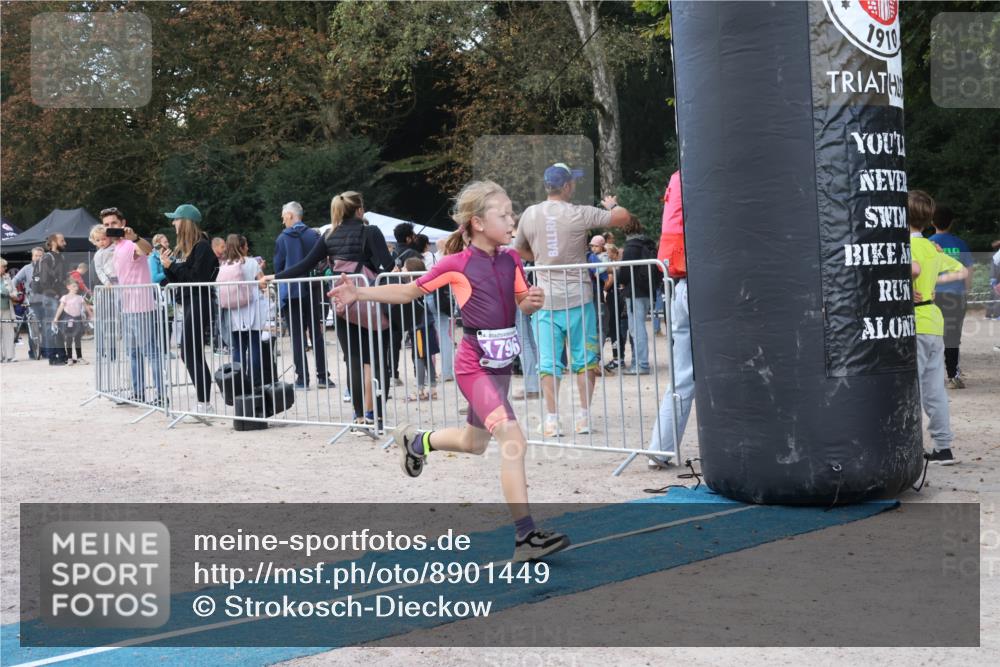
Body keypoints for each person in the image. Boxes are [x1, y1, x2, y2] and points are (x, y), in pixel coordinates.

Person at [330, 180, 569, 562]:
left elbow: (523, 303)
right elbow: (409, 292)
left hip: (501, 367)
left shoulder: (512, 261)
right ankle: (526, 537)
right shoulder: (455, 265)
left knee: (475, 443)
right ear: (476, 222)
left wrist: (533, 302)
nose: (512, 220)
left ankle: (417, 442)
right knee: (514, 439)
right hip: (473, 365)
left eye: (512, 213)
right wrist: (360, 293)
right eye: (504, 214)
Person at [513, 162, 631, 436]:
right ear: (566, 186)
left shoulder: (530, 214)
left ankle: (552, 419)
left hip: (545, 300)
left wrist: (541, 259)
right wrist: (612, 205)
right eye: (573, 182)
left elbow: (518, 248)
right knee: (585, 360)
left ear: (546, 186)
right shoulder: (580, 213)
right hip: (579, 298)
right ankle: (583, 417)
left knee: (548, 362)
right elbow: (623, 218)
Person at [264, 191, 393, 430]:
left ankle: (359, 416)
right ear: (360, 210)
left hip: (344, 304)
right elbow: (389, 265)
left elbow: (304, 266)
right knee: (375, 360)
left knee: (354, 360)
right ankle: (376, 415)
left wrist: (275, 276)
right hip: (371, 300)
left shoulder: (328, 235)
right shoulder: (371, 232)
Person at [909, 190, 968, 465]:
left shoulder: (902, 248)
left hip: (913, 322)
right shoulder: (932, 247)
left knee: (908, 389)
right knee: (934, 389)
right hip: (933, 318)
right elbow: (962, 272)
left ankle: (907, 446)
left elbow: (914, 270)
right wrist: (933, 287)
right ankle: (944, 447)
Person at [647, 170, 690, 469]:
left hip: (679, 283)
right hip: (702, 283)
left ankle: (659, 449)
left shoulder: (677, 177)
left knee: (682, 378)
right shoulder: (707, 166)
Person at [101, 207, 165, 405]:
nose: (110, 227)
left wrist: (135, 237)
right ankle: (138, 393)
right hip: (127, 306)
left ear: (122, 223)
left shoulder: (130, 244)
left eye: (113, 223)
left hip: (141, 305)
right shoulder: (116, 248)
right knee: (133, 353)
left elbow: (147, 250)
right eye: (106, 225)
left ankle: (162, 396)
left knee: (151, 352)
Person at [160, 204, 219, 412]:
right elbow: (176, 279)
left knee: (190, 351)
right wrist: (167, 266)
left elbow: (196, 278)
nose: (173, 223)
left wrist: (172, 266)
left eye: (175, 219)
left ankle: (205, 403)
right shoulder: (181, 248)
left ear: (184, 222)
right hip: (186, 302)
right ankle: (204, 402)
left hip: (199, 301)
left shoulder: (202, 246)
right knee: (189, 352)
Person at [273, 201, 331, 389]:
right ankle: (323, 377)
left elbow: (278, 267)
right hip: (313, 288)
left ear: (290, 215)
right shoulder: (313, 235)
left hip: (291, 291)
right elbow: (322, 262)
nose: (283, 221)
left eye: (283, 216)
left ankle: (302, 378)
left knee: (297, 336)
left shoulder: (282, 238)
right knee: (316, 333)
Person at [928, 205, 974, 388]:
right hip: (956, 296)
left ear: (932, 222)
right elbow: (969, 269)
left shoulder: (928, 243)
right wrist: (967, 290)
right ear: (952, 222)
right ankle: (953, 375)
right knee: (953, 336)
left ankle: (934, 374)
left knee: (934, 335)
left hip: (933, 296)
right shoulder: (960, 243)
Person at [218, 234, 265, 377]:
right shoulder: (251, 262)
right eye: (246, 245)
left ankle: (238, 380)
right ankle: (254, 380)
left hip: (234, 308)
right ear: (242, 247)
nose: (248, 248)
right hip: (252, 306)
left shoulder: (224, 265)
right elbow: (262, 283)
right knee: (254, 345)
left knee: (238, 347)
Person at [618, 215, 658, 374]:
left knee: (637, 328)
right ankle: (638, 363)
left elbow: (625, 274)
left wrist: (620, 278)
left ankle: (641, 364)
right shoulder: (647, 244)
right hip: (647, 290)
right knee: (639, 327)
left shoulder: (630, 247)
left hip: (634, 291)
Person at [402, 257, 439, 400]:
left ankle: (420, 389)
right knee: (425, 356)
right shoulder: (421, 284)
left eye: (405, 267)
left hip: (419, 325)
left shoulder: (414, 286)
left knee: (420, 357)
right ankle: (432, 387)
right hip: (424, 324)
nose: (402, 270)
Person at [38, 233, 69, 365]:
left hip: (60, 296)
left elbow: (62, 278)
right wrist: (55, 294)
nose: (65, 243)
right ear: (54, 242)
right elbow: (44, 280)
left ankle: (62, 355)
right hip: (51, 297)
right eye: (62, 240)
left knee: (60, 326)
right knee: (52, 326)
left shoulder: (60, 256)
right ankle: (52, 356)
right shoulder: (47, 257)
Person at [12, 247, 45, 360]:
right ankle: (33, 352)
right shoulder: (27, 268)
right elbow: (15, 280)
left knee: (46, 327)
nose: (38, 258)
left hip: (46, 301)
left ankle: (45, 351)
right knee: (33, 326)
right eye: (36, 255)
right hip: (31, 301)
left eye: (40, 256)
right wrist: (14, 292)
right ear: (32, 257)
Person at [53, 278, 93, 364]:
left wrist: (91, 316)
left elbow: (86, 308)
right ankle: (70, 358)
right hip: (68, 320)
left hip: (78, 319)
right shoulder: (65, 297)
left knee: (78, 339)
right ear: (68, 287)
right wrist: (56, 318)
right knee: (69, 339)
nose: (76, 288)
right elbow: (60, 308)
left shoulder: (80, 298)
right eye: (74, 286)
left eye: (77, 286)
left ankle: (80, 357)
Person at [0, 259, 16, 362]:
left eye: (6, 266)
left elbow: (14, 291)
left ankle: (10, 356)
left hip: (6, 309)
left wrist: (11, 295)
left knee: (9, 333)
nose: (6, 269)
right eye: (4, 266)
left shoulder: (7, 277)